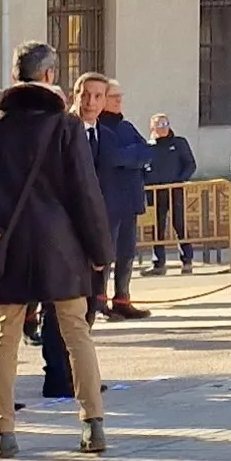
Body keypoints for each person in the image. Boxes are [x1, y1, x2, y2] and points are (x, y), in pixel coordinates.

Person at [0, 64, 111, 460]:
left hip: (12, 242)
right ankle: (92, 423)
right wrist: (100, 252)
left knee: (5, 337)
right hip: (63, 244)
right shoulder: (65, 127)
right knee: (77, 334)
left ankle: (4, 430)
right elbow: (84, 192)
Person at [79, 75, 154, 318]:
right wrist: (131, 157)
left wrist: (131, 157)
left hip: (128, 202)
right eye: (114, 97)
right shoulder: (96, 129)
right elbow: (112, 158)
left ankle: (122, 299)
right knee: (105, 254)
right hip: (107, 203)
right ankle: (99, 302)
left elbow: (147, 151)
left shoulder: (125, 127)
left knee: (126, 252)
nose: (119, 100)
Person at [142, 112, 199, 272]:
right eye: (159, 125)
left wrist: (179, 180)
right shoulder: (148, 147)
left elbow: (190, 164)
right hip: (155, 192)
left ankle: (187, 260)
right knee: (157, 226)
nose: (163, 128)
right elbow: (143, 169)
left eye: (165, 124)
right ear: (152, 128)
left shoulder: (179, 143)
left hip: (175, 191)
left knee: (179, 223)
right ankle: (158, 263)